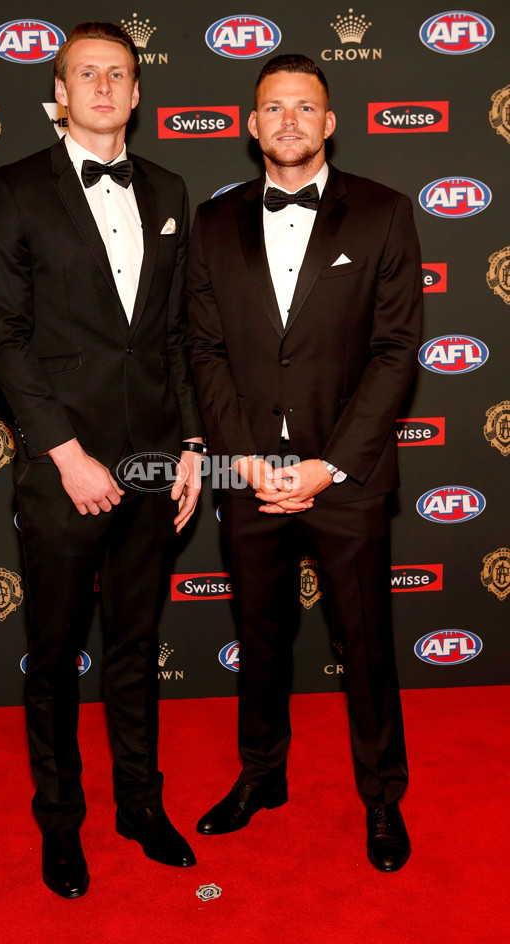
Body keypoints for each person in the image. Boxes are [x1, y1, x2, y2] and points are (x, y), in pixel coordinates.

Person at [0, 21, 204, 898]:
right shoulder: (14, 188)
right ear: (60, 93)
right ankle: (59, 823)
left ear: (137, 94)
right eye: (85, 74)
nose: (103, 85)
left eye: (118, 73)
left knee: (136, 650)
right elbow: (1, 332)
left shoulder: (171, 188)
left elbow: (176, 336)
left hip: (151, 465)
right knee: (57, 650)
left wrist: (188, 446)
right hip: (61, 467)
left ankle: (139, 806)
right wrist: (64, 452)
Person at [186, 54, 422, 872]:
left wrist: (328, 467)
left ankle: (382, 800)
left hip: (345, 477)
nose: (288, 120)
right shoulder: (212, 225)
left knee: (367, 643)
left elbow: (396, 354)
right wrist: (243, 459)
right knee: (260, 636)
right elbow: (204, 351)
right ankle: (261, 777)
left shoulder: (386, 215)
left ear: (329, 123)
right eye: (272, 107)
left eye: (304, 108)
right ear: (252, 127)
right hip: (249, 475)